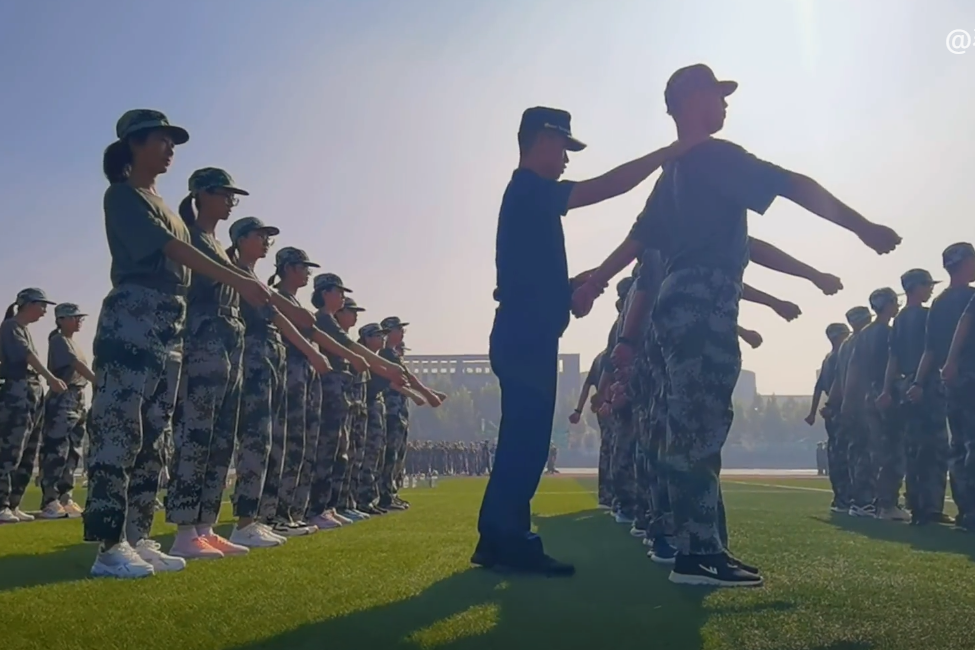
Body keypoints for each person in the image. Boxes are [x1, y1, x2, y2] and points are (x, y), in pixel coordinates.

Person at [573, 64, 900, 587]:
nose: (726, 104)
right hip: (704, 299)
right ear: (693, 100)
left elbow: (639, 240)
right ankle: (699, 554)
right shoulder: (715, 156)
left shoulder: (672, 174)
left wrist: (595, 281)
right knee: (700, 425)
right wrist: (862, 226)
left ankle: (690, 543)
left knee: (683, 426)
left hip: (676, 303)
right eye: (718, 95)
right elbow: (791, 184)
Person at [473, 102, 711, 578]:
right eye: (564, 147)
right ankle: (509, 540)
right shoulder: (530, 189)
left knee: (521, 440)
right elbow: (606, 187)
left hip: (525, 330)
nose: (566, 159)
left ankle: (497, 540)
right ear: (543, 139)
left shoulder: (527, 197)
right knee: (525, 443)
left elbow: (529, 279)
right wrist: (667, 153)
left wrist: (571, 289)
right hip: (526, 334)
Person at [85, 109, 272, 579]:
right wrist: (238, 278)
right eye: (162, 140)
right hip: (134, 315)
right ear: (134, 144)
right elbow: (172, 249)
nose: (170, 149)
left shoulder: (164, 205)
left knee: (154, 437)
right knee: (119, 431)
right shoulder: (123, 195)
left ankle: (136, 535)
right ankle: (109, 546)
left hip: (170, 324)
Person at [165, 167, 267, 559]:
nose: (229, 203)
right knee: (195, 436)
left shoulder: (217, 247)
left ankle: (205, 525)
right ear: (202, 195)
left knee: (220, 440)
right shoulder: (188, 237)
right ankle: (184, 530)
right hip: (202, 345)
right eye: (224, 195)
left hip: (228, 348)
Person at [224, 217, 329, 547]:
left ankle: (264, 517)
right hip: (251, 362)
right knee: (256, 441)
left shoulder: (255, 279)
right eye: (260, 236)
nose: (266, 242)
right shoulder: (233, 271)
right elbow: (291, 318)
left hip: (271, 364)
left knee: (272, 443)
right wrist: (311, 351)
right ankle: (247, 521)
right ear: (241, 239)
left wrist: (311, 353)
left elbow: (285, 319)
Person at [912, 243, 975, 530]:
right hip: (970, 374)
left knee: (958, 445)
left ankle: (966, 510)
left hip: (949, 381)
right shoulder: (970, 298)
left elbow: (929, 350)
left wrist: (919, 381)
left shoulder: (938, 304)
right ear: (965, 263)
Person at [878, 268, 947, 525]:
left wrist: (887, 390)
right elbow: (931, 350)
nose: (930, 289)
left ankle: (916, 503)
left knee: (913, 447)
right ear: (916, 287)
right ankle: (930, 507)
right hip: (926, 383)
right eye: (927, 284)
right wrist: (919, 382)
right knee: (935, 447)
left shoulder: (900, 320)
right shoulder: (927, 316)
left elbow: (893, 359)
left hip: (904, 384)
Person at [0, 288, 66, 524]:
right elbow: (27, 356)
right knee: (11, 449)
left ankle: (13, 503)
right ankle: (1, 504)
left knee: (29, 451)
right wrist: (51, 378)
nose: (44, 311)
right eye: (41, 305)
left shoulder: (23, 329)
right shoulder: (11, 326)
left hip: (31, 391)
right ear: (28, 304)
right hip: (17, 391)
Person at [845, 288, 905, 520]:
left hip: (866, 396)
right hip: (885, 393)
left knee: (869, 450)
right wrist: (888, 389)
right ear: (887, 304)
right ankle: (887, 504)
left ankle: (865, 501)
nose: (897, 306)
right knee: (892, 449)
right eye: (894, 301)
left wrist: (849, 400)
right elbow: (893, 363)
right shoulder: (888, 333)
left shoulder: (863, 335)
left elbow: (853, 369)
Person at [38, 302, 94, 519]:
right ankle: (50, 500)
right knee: (57, 449)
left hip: (78, 396)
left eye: (79, 317)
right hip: (63, 397)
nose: (78, 321)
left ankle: (65, 496)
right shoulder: (59, 340)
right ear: (60, 320)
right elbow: (75, 364)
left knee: (73, 450)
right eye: (73, 317)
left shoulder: (72, 342)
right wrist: (97, 381)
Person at [805, 323, 850, 510]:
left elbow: (818, 388)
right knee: (847, 454)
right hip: (841, 410)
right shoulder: (841, 356)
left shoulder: (828, 358)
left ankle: (840, 496)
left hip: (832, 413)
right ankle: (848, 497)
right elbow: (839, 383)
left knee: (835, 453)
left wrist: (812, 413)